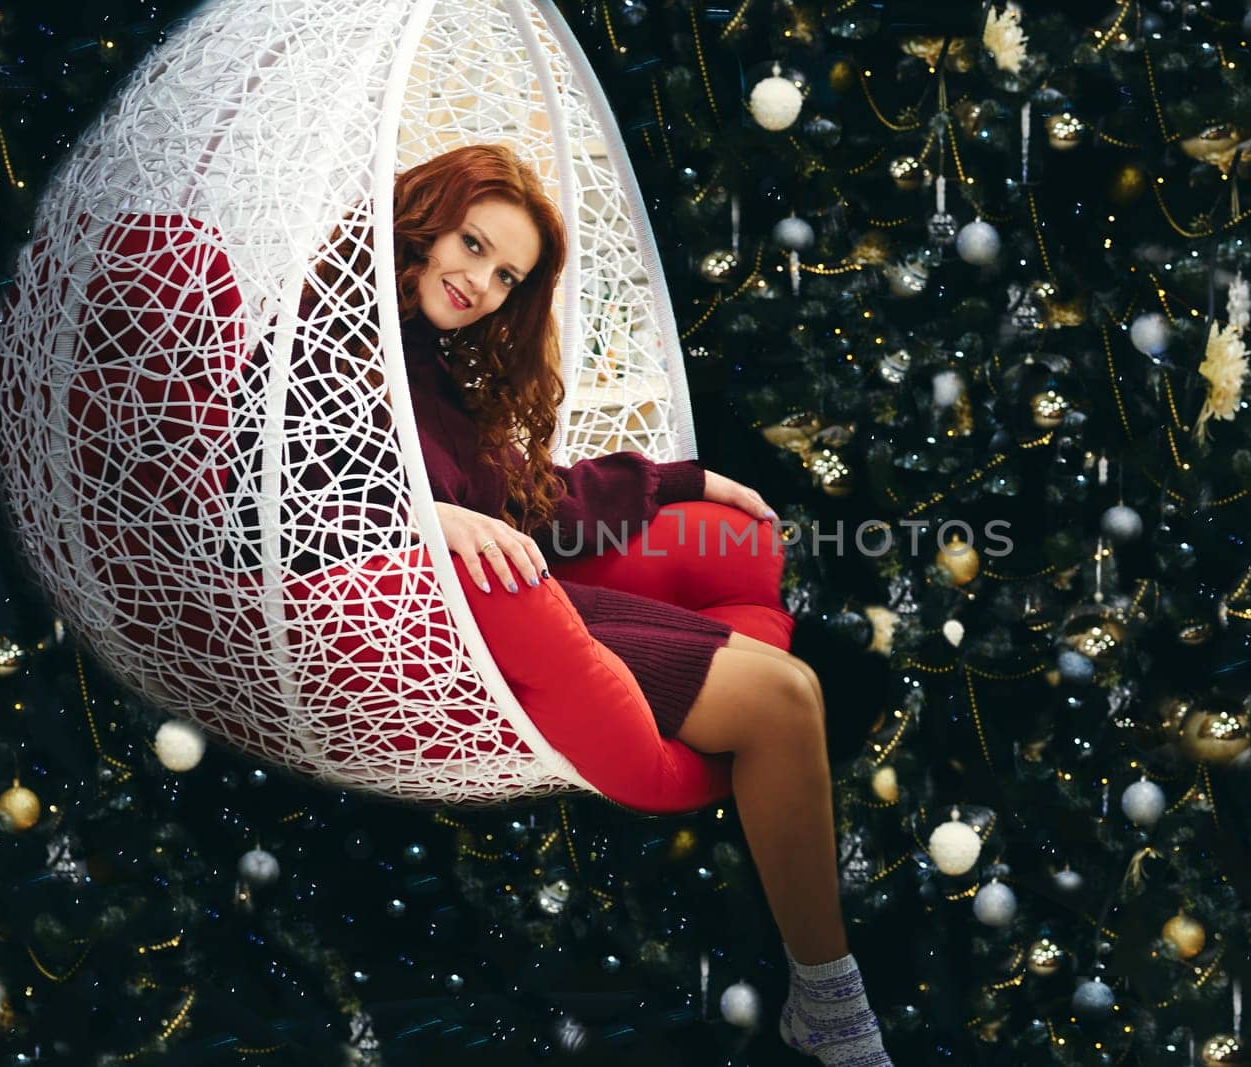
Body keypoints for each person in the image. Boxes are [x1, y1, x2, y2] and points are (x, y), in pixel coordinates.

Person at [370, 143, 894, 1066]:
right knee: (782, 702)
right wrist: (429, 515)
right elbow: (287, 494)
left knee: (793, 685)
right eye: (470, 243)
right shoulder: (332, 341)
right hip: (470, 628)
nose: (479, 281)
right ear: (423, 217)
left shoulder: (441, 366)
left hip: (528, 602)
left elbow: (537, 497)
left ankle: (825, 997)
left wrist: (689, 479)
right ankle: (832, 1004)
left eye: (505, 274)